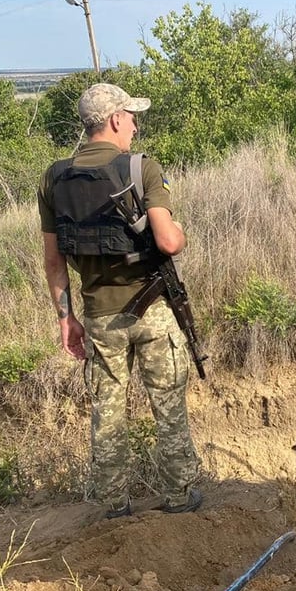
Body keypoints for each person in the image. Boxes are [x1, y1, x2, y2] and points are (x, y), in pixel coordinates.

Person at [38, 82, 201, 519]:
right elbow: (168, 242)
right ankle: (181, 496)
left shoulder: (54, 178)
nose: (134, 124)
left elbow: (54, 261)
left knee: (107, 411)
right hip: (153, 312)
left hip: (99, 316)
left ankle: (114, 503)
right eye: (131, 116)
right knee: (167, 402)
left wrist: (64, 319)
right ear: (114, 120)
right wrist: (180, 231)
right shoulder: (140, 167)